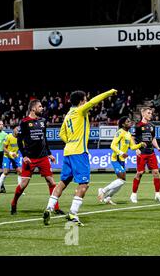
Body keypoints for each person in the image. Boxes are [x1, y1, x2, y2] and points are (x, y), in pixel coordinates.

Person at [43, 89, 117, 226]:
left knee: (63, 182)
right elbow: (95, 101)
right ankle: (73, 213)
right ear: (82, 101)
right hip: (79, 152)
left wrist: (70, 142)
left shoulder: (68, 115)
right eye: (85, 99)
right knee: (84, 184)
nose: (87, 101)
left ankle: (49, 207)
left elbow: (61, 134)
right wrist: (109, 92)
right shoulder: (79, 111)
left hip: (68, 152)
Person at [11, 100, 63, 215]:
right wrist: (24, 156)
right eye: (40, 106)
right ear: (33, 108)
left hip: (43, 157)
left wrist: (49, 153)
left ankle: (56, 207)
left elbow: (44, 139)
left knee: (51, 181)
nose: (42, 108)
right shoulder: (24, 122)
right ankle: (14, 203)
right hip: (30, 158)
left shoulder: (43, 121)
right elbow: (20, 140)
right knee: (24, 184)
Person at [98, 116, 146, 205]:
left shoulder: (128, 134)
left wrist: (140, 145)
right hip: (116, 158)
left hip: (122, 159)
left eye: (130, 121)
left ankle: (108, 198)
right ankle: (103, 190)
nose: (130, 122)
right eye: (128, 122)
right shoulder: (120, 132)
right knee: (122, 179)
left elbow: (132, 147)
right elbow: (112, 145)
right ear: (123, 124)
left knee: (122, 181)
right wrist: (121, 153)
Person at [131, 107, 160, 203]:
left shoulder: (152, 126)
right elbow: (132, 138)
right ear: (143, 114)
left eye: (151, 113)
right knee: (140, 173)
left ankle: (157, 194)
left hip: (151, 152)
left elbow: (153, 138)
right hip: (142, 153)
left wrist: (157, 147)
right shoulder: (137, 126)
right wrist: (136, 149)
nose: (151, 115)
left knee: (156, 173)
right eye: (149, 113)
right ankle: (133, 194)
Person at [0, 126, 22, 192]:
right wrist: (10, 152)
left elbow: (23, 147)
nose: (18, 132)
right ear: (14, 129)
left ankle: (19, 190)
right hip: (7, 156)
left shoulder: (20, 138)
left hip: (16, 156)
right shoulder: (8, 137)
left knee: (20, 172)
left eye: (19, 131)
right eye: (17, 130)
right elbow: (4, 148)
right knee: (6, 171)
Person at [0, 120, 8, 193]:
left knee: (1, 171)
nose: (1, 125)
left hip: (1, 154)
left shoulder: (5, 134)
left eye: (2, 124)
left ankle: (1, 186)